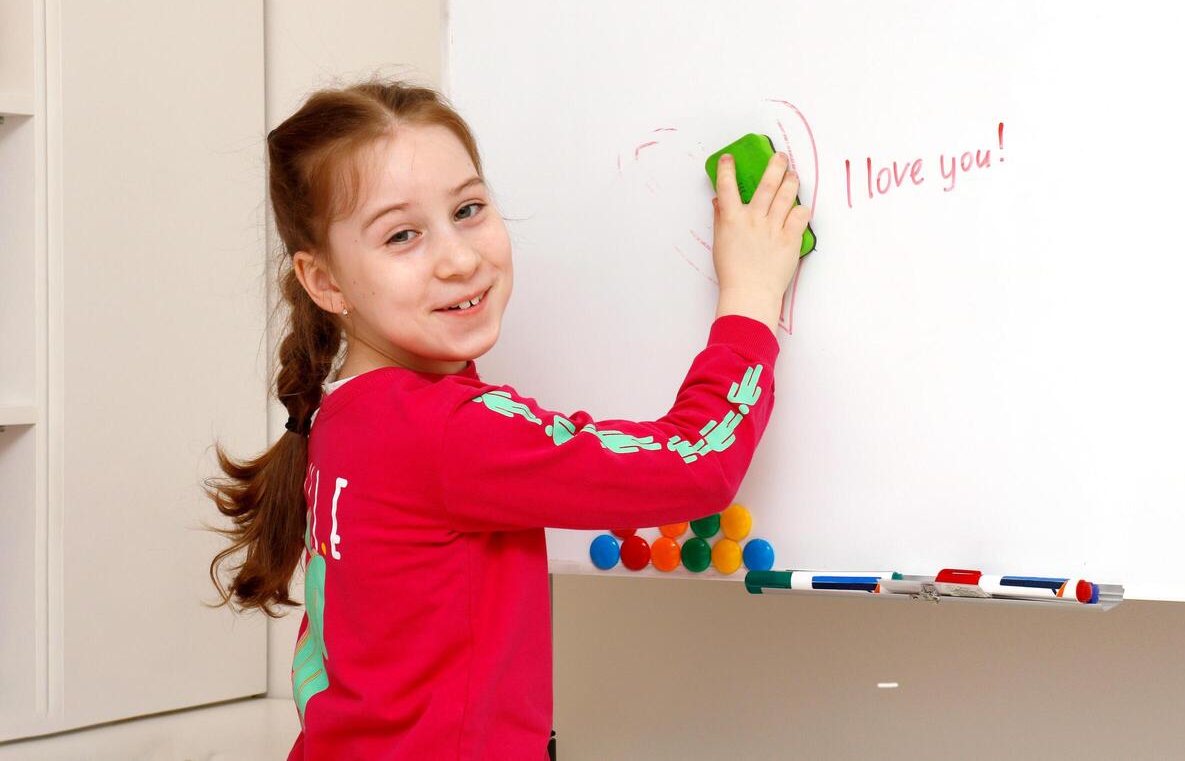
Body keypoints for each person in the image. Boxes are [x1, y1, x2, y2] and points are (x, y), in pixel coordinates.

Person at [202, 77, 809, 758]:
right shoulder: (447, 433)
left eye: (468, 209)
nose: (460, 259)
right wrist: (751, 298)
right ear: (326, 282)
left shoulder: (346, 414)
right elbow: (697, 462)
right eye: (402, 235)